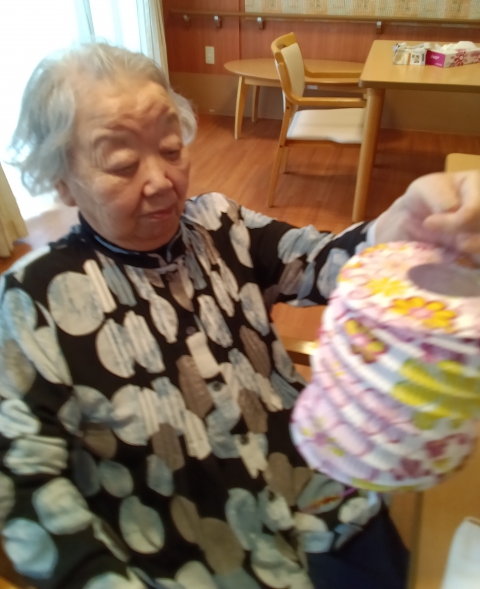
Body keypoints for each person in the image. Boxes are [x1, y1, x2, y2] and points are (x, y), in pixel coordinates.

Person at [2, 43, 480, 589]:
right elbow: (27, 488)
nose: (161, 181)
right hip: (199, 560)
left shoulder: (219, 225)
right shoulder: (31, 302)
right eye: (122, 164)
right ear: (61, 179)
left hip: (329, 506)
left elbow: (324, 261)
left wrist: (405, 222)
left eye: (171, 149)